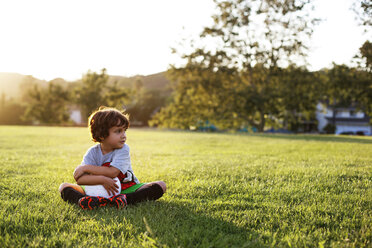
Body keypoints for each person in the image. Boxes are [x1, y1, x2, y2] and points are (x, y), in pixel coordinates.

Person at [59, 106, 166, 210]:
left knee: (161, 185)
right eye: (118, 131)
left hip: (126, 188)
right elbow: (80, 180)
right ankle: (87, 200)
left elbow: (113, 172)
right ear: (102, 135)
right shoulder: (92, 153)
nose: (124, 135)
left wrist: (85, 168)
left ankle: (124, 199)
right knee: (64, 187)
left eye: (125, 130)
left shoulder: (123, 149)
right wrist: (102, 180)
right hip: (97, 190)